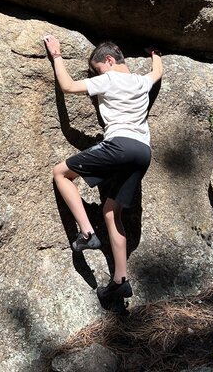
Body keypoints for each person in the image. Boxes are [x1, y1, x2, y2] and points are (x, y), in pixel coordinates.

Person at [43, 35, 163, 306]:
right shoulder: (142, 81)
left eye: (98, 68)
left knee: (61, 173)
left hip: (119, 144)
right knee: (111, 213)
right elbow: (157, 71)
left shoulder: (109, 79)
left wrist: (57, 55)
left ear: (109, 61)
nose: (99, 74)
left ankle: (86, 233)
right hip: (142, 153)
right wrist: (155, 52)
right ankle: (120, 282)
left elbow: (67, 86)